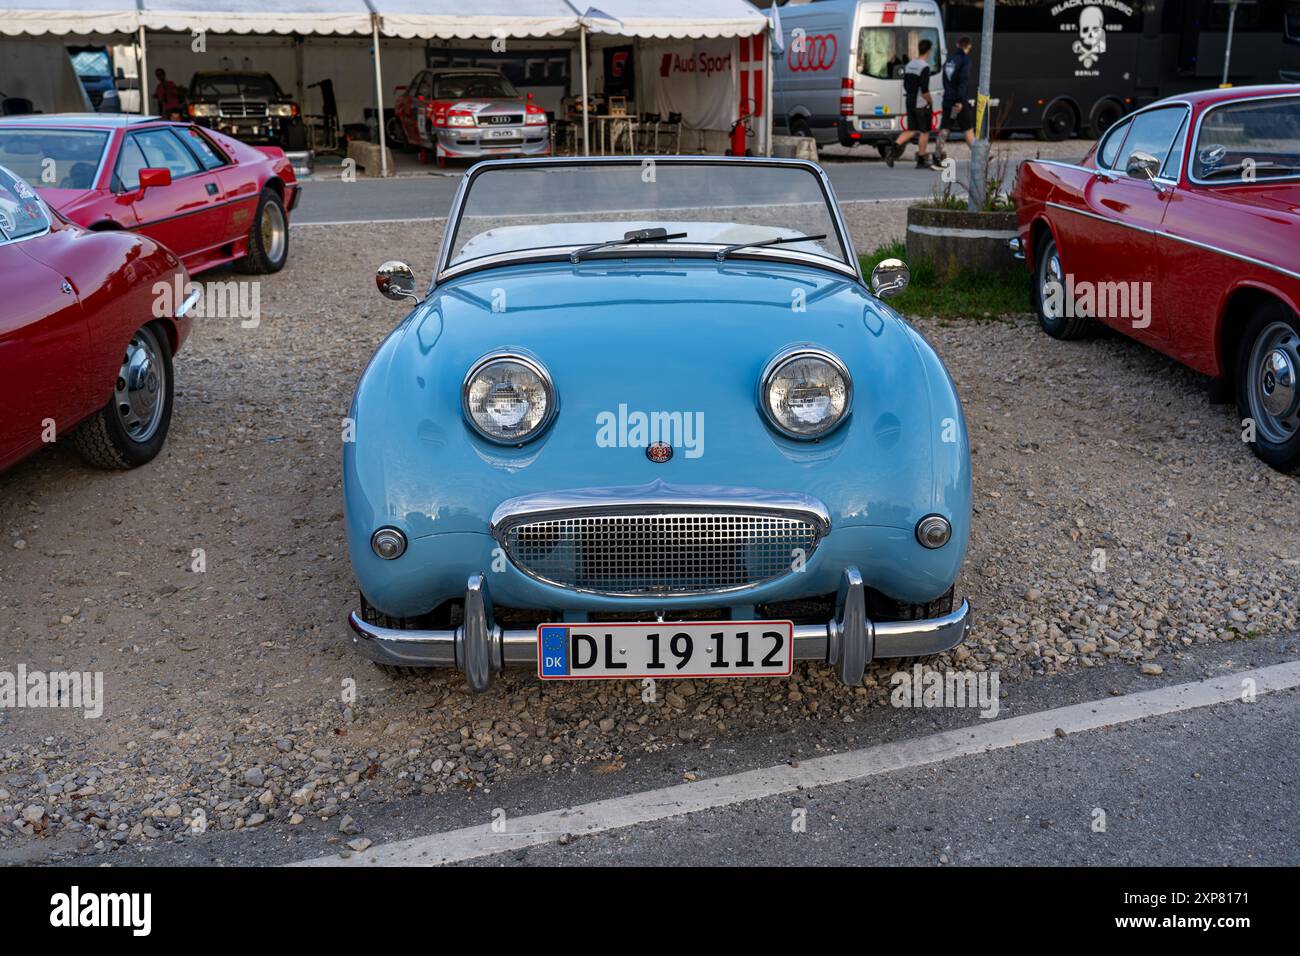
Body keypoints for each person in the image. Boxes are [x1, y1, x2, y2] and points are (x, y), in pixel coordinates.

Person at [883, 39, 937, 170]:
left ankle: (892, 150)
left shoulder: (909, 64)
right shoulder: (924, 67)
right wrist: (930, 100)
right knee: (924, 131)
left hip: (910, 100)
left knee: (911, 129)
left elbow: (906, 84)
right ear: (929, 50)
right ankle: (921, 160)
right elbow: (924, 90)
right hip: (920, 103)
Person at [936, 36, 974, 163]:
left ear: (958, 45)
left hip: (948, 99)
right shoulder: (965, 61)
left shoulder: (949, 60)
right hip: (959, 102)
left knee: (945, 127)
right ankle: (980, 158)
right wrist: (959, 101)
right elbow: (963, 81)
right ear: (968, 47)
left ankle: (937, 155)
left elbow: (946, 81)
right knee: (967, 128)